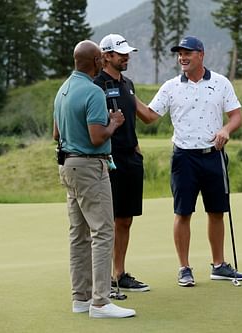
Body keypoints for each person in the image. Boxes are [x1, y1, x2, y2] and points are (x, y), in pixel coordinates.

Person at [136, 36, 242, 287]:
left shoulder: (220, 83)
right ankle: (184, 268)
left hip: (213, 155)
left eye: (187, 53)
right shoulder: (171, 86)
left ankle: (218, 266)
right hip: (184, 157)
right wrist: (127, 94)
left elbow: (236, 116)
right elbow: (150, 116)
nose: (182, 58)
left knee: (216, 211)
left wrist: (226, 130)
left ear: (201, 54)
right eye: (179, 54)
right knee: (182, 212)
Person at [53, 40, 136, 318]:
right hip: (90, 166)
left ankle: (81, 298)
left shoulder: (63, 90)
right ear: (94, 62)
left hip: (67, 165)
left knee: (78, 234)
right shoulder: (92, 91)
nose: (103, 61)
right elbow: (97, 136)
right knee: (102, 232)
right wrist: (114, 123)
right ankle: (100, 301)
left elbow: (56, 134)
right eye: (100, 57)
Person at [93, 33, 149, 293]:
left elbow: (145, 115)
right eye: (120, 53)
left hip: (130, 158)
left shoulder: (128, 83)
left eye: (127, 53)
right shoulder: (96, 85)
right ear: (106, 56)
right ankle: (102, 278)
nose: (126, 57)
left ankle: (119, 273)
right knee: (106, 221)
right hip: (106, 159)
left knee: (125, 218)